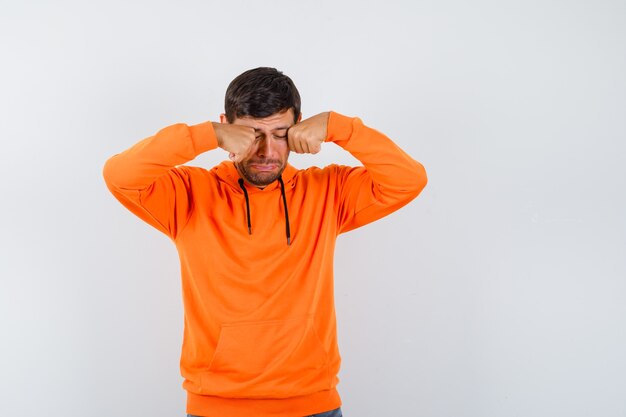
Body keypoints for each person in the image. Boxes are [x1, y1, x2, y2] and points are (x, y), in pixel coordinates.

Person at [102, 67, 427, 417]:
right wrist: (205, 135)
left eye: (280, 134)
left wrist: (338, 127)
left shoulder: (327, 192)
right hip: (217, 407)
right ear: (226, 125)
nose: (266, 151)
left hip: (313, 404)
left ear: (299, 126)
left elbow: (408, 180)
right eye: (252, 134)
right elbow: (119, 175)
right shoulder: (188, 195)